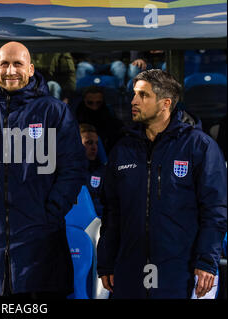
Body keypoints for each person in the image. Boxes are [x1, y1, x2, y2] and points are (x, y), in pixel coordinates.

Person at [0, 41, 88, 298]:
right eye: (4, 64)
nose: (10, 70)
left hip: (40, 240)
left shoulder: (55, 111)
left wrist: (49, 213)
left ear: (30, 68)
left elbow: (73, 168)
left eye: (18, 64)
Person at [97, 69, 227, 299]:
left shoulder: (200, 147)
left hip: (179, 270)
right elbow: (112, 212)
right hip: (129, 268)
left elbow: (214, 211)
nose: (133, 101)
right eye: (134, 94)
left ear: (165, 103)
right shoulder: (123, 149)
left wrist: (207, 261)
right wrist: (106, 261)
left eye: (143, 95)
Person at [74, 85, 124, 154]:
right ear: (84, 101)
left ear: (103, 101)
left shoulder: (113, 123)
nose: (94, 107)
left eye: (98, 103)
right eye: (90, 103)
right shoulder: (74, 121)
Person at [80, 123, 105, 218]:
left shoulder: (102, 172)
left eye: (96, 143)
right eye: (89, 143)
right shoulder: (65, 171)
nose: (94, 147)